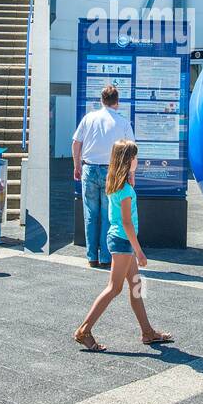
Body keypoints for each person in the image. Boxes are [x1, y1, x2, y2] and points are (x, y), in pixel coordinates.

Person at [73, 140, 174, 353]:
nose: (138, 161)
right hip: (123, 242)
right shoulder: (126, 190)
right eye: (135, 157)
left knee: (136, 285)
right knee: (114, 287)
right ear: (128, 160)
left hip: (120, 240)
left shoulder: (116, 184)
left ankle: (147, 331)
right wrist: (139, 251)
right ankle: (84, 330)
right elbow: (127, 223)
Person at [72, 84, 136, 268]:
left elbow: (76, 143)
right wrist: (131, 174)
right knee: (109, 214)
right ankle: (107, 257)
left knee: (90, 215)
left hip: (89, 169)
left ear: (101, 100)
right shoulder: (123, 122)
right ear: (117, 102)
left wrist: (77, 165)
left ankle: (92, 256)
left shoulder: (89, 118)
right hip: (112, 172)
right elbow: (130, 151)